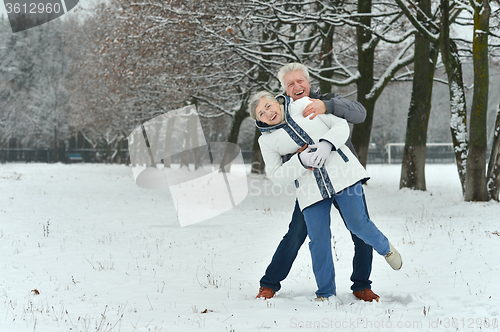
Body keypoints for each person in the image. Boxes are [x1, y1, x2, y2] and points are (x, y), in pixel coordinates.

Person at [254, 63, 397, 302]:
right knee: (296, 234)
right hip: (311, 185)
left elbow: (359, 114)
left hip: (343, 178)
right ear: (284, 90)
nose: (296, 86)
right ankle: (269, 283)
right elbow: (281, 161)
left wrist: (328, 106)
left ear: (308, 82)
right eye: (290, 84)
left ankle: (362, 285)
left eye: (300, 81)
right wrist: (299, 157)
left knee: (360, 228)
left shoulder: (327, 100)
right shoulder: (281, 119)